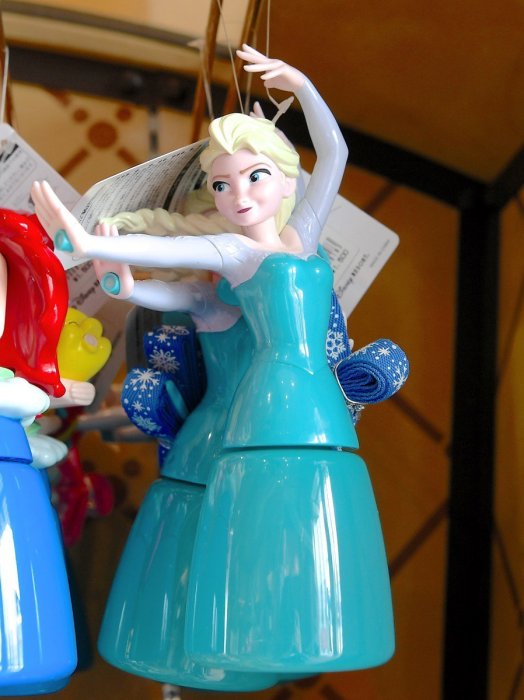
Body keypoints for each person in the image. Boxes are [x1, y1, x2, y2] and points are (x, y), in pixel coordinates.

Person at [32, 44, 394, 674]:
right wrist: (96, 250)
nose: (237, 195)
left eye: (254, 177)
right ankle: (257, 631)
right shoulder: (234, 253)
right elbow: (171, 264)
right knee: (263, 513)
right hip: (269, 398)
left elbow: (334, 153)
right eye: (222, 185)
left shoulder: (299, 235)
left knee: (312, 513)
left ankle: (302, 626)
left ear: (287, 181)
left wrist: (301, 84)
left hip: (310, 400)